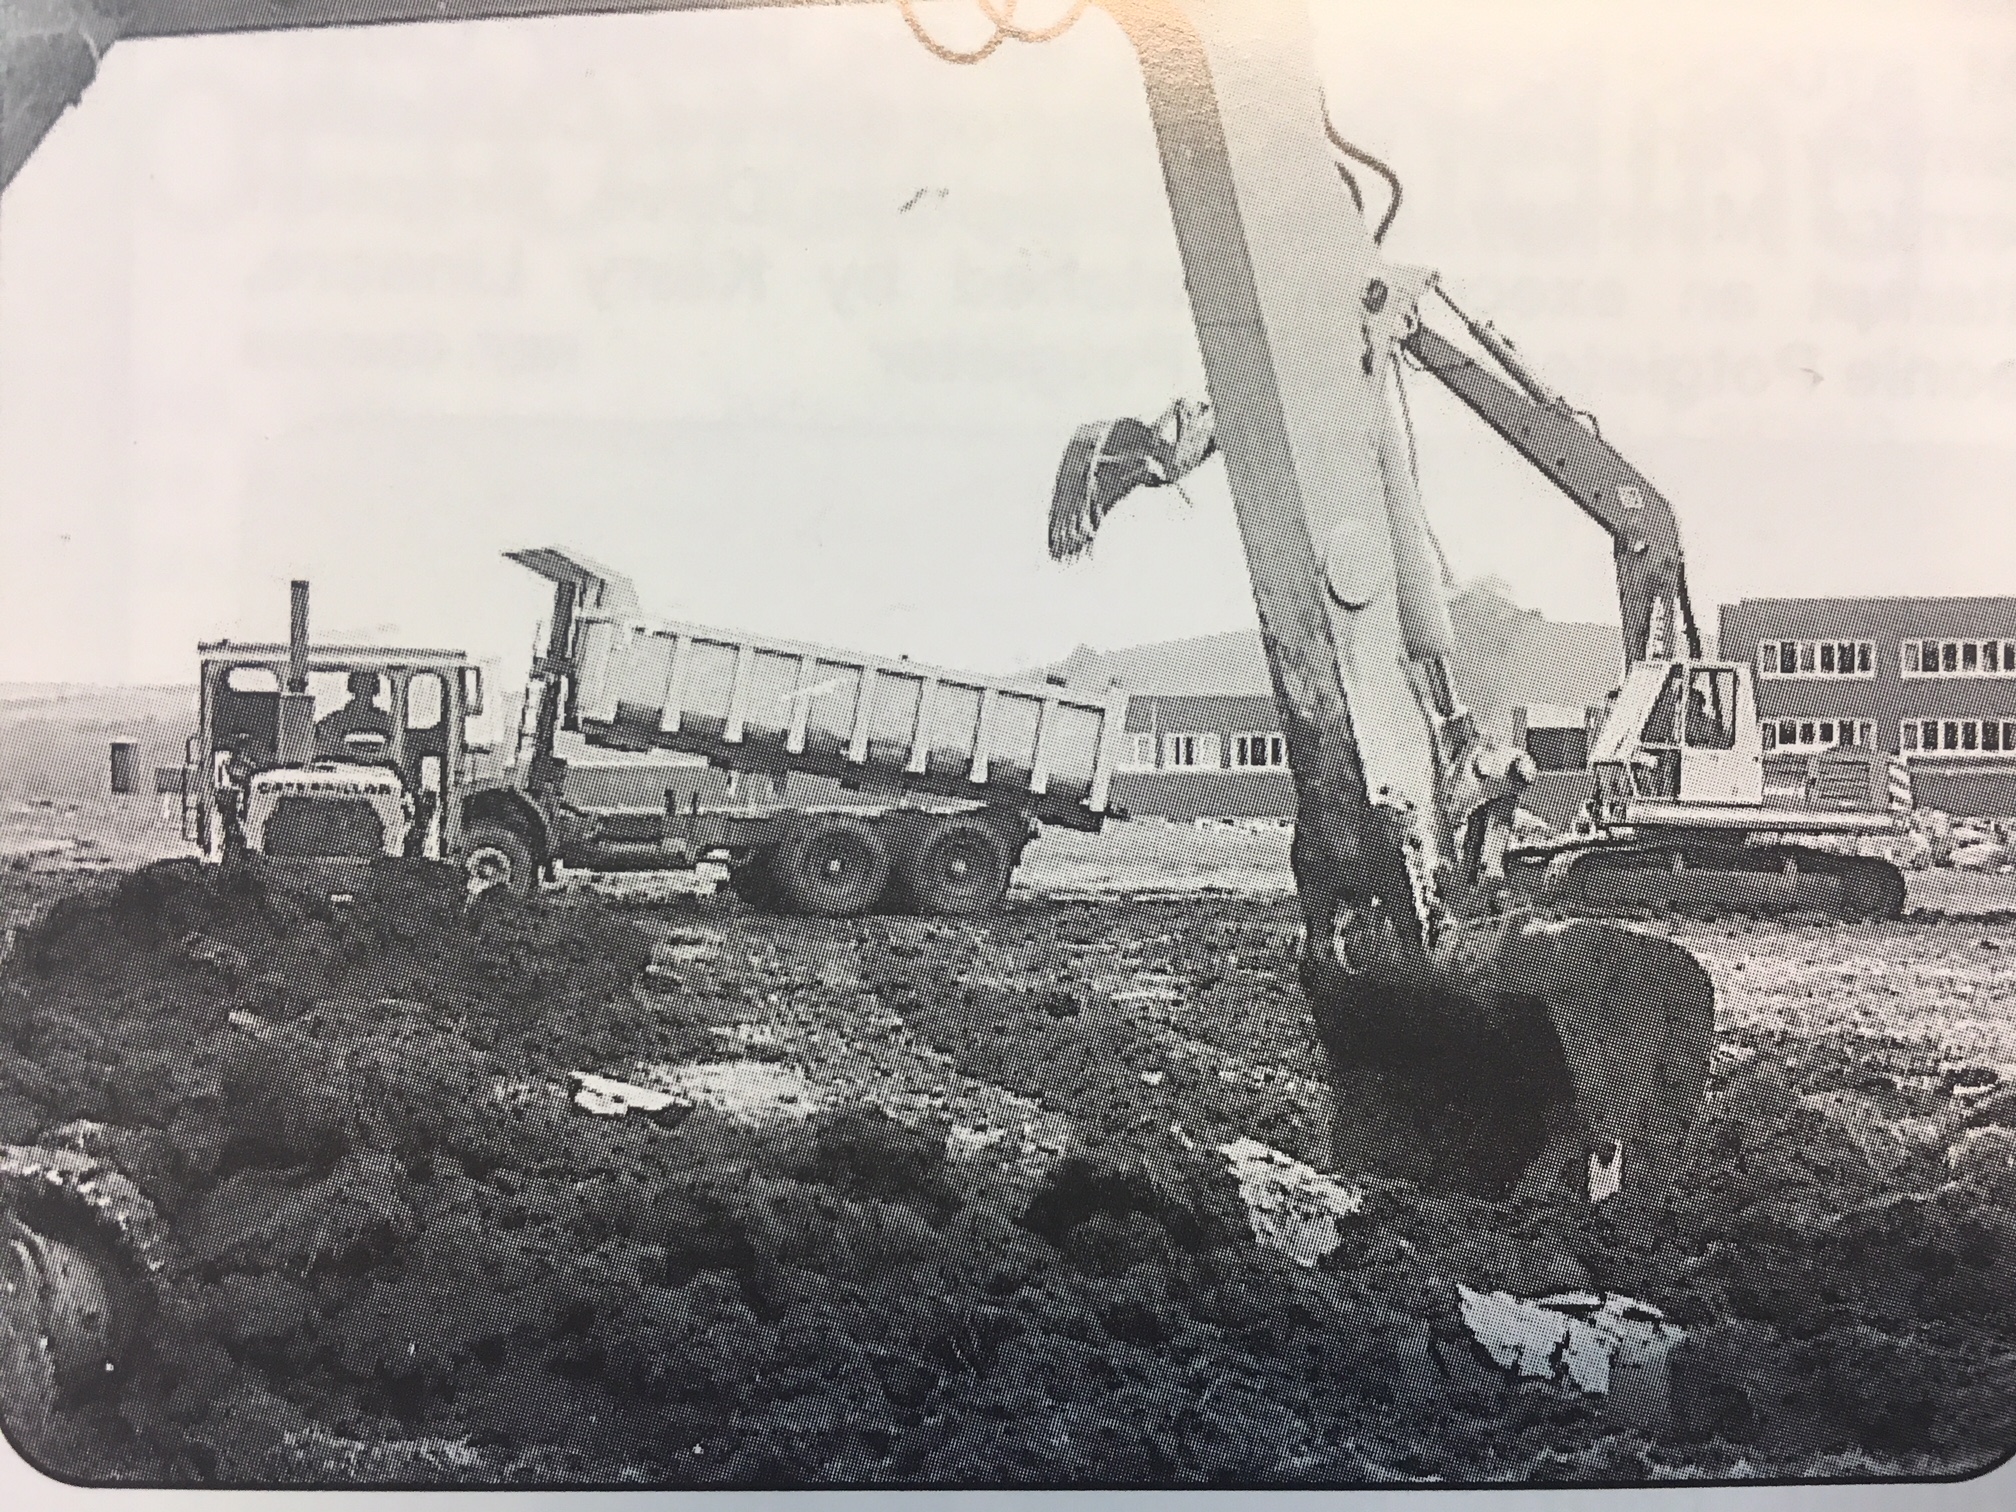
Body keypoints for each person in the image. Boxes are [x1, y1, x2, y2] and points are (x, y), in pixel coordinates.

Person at [315, 670, 392, 757]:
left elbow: (395, 741)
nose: (364, 688)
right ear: (352, 687)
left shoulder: (384, 721)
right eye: (359, 684)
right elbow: (323, 741)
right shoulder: (337, 720)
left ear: (375, 688)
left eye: (368, 684)